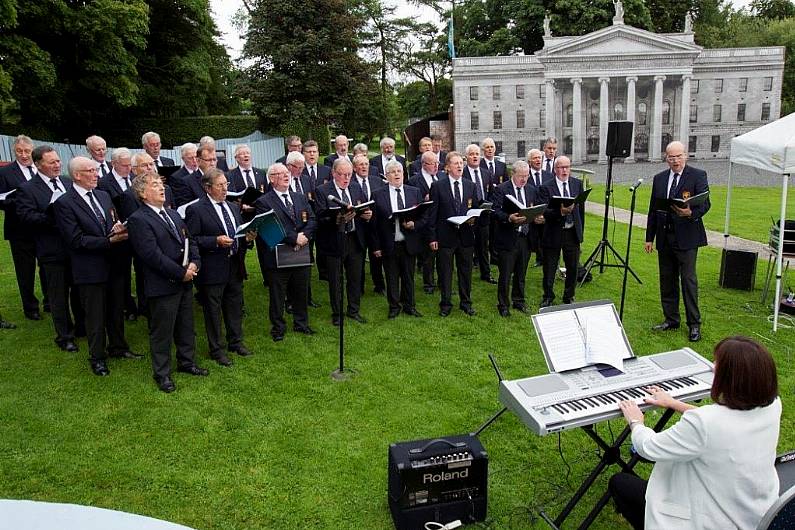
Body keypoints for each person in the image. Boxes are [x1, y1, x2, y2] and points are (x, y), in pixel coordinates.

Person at [610, 336, 781, 530]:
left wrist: (636, 421)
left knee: (620, 482)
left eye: (718, 364)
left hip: (706, 521)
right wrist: (674, 403)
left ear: (732, 378)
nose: (712, 367)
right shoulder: (773, 405)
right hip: (755, 514)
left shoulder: (705, 423)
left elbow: (648, 448)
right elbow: (722, 423)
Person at [54, 157, 140, 376]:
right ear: (77, 175)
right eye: (90, 171)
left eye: (95, 170)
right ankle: (97, 357)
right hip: (89, 269)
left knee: (115, 308)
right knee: (95, 315)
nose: (97, 174)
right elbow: (75, 240)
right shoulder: (65, 203)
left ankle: (118, 347)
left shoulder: (102, 195)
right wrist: (108, 241)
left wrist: (118, 227)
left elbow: (111, 220)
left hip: (114, 263)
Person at [127, 171, 208, 393]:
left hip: (184, 280)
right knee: (162, 331)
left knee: (186, 325)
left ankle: (187, 362)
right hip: (163, 285)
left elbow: (190, 241)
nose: (162, 188)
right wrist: (180, 273)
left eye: (161, 184)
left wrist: (194, 263)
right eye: (155, 185)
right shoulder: (138, 220)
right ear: (143, 194)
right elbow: (151, 255)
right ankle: (162, 374)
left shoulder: (172, 214)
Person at [16, 145, 83, 352]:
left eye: (57, 161)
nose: (57, 164)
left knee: (79, 291)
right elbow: (26, 217)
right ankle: (64, 336)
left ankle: (82, 327)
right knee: (58, 295)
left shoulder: (66, 182)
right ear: (38, 164)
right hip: (52, 251)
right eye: (52, 162)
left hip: (76, 247)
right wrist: (55, 216)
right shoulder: (27, 189)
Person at [185, 168, 254, 366]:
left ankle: (236, 341)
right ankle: (216, 349)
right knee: (213, 310)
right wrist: (215, 241)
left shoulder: (232, 208)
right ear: (207, 188)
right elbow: (192, 239)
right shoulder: (197, 209)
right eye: (220, 185)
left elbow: (238, 233)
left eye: (226, 184)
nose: (225, 189)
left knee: (234, 305)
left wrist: (247, 239)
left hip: (234, 265)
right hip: (212, 269)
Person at [645, 141, 709, 342]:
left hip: (687, 238)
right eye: (671, 157)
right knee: (667, 279)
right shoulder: (660, 179)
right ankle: (671, 319)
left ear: (685, 156)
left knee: (688, 281)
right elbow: (653, 210)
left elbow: (706, 204)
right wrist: (649, 237)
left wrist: (691, 212)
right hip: (665, 237)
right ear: (666, 158)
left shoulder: (698, 175)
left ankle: (694, 324)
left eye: (678, 156)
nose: (675, 160)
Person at [253, 163, 316, 341]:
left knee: (301, 290)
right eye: (280, 174)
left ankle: (301, 323)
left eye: (286, 172)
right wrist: (294, 238)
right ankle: (278, 328)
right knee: (278, 294)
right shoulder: (263, 202)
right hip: (277, 256)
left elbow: (311, 219)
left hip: (301, 252)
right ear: (272, 179)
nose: (286, 175)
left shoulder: (300, 197)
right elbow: (270, 226)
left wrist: (304, 236)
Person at [314, 158, 373, 325]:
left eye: (349, 174)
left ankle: (353, 310)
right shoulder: (323, 191)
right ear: (333, 173)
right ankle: (337, 313)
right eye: (342, 174)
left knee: (355, 277)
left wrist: (366, 215)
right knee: (336, 280)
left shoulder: (355, 187)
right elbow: (319, 217)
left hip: (354, 239)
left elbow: (362, 208)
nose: (346, 178)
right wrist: (338, 219)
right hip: (335, 240)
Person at [0, 134, 48, 320]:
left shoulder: (40, 169)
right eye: (19, 151)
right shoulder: (5, 173)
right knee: (25, 271)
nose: (24, 155)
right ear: (14, 151)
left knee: (47, 266)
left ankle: (50, 301)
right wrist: (20, 200)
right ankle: (30, 308)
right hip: (19, 229)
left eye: (27, 151)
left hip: (42, 227)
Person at [428, 151, 478, 317]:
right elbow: (432, 214)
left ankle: (466, 302)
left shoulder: (471, 185)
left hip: (465, 236)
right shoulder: (438, 186)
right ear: (447, 167)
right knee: (445, 271)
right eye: (456, 163)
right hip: (445, 236)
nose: (459, 166)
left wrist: (473, 219)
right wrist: (433, 237)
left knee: (465, 271)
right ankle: (446, 303)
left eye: (461, 163)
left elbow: (475, 209)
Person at [372, 160, 425, 319]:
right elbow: (374, 224)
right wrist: (376, 246)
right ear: (387, 176)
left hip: (408, 241)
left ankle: (410, 305)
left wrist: (414, 224)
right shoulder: (377, 194)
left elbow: (424, 215)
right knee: (392, 276)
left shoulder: (414, 192)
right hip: (389, 242)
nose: (397, 174)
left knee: (408, 275)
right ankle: (394, 306)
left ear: (404, 174)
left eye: (399, 171)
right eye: (393, 172)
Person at [492, 160, 543, 316]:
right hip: (507, 237)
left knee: (521, 272)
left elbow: (536, 208)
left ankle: (518, 301)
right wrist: (509, 218)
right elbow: (495, 211)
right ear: (513, 174)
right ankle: (503, 304)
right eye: (521, 176)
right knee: (506, 273)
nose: (524, 179)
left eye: (526, 176)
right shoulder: (501, 189)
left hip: (525, 237)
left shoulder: (531, 190)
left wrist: (538, 218)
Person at [537, 156, 585, 307]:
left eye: (567, 167)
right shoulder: (546, 187)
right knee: (550, 267)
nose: (564, 170)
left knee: (572, 267)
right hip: (553, 231)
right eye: (561, 167)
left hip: (572, 232)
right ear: (555, 169)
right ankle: (548, 296)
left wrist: (580, 231)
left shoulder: (577, 184)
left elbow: (581, 210)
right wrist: (561, 212)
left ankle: (569, 295)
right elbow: (544, 212)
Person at [98, 147, 138, 320]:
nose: (128, 168)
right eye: (124, 165)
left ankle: (140, 304)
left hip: (137, 230)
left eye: (130, 165)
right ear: (113, 164)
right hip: (119, 232)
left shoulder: (134, 179)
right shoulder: (104, 183)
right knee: (121, 272)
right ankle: (125, 305)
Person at [409, 150, 447, 295]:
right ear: (424, 164)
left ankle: (443, 281)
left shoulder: (442, 176)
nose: (436, 166)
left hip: (441, 221)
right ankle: (429, 283)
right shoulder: (414, 181)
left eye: (437, 162)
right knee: (428, 256)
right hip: (425, 222)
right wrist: (423, 201)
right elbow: (412, 203)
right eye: (432, 163)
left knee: (443, 256)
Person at [350, 154, 386, 295]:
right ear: (354, 168)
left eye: (366, 164)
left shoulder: (377, 181)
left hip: (375, 225)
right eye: (361, 164)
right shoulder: (350, 182)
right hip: (358, 225)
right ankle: (359, 287)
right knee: (358, 257)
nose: (364, 167)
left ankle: (379, 285)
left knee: (376, 255)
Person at [462, 144, 496, 284]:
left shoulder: (486, 173)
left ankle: (486, 273)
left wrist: (489, 205)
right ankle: (466, 274)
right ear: (466, 157)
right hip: (468, 217)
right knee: (468, 247)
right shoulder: (462, 173)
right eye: (472, 154)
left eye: (477, 154)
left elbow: (491, 193)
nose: (475, 156)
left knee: (483, 246)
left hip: (484, 215)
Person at [527, 148, 547, 268]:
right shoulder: (525, 175)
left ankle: (544, 258)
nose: (538, 160)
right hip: (531, 212)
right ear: (530, 161)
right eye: (535, 158)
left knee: (545, 236)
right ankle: (536, 257)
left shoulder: (549, 175)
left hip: (546, 212)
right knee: (533, 238)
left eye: (539, 157)